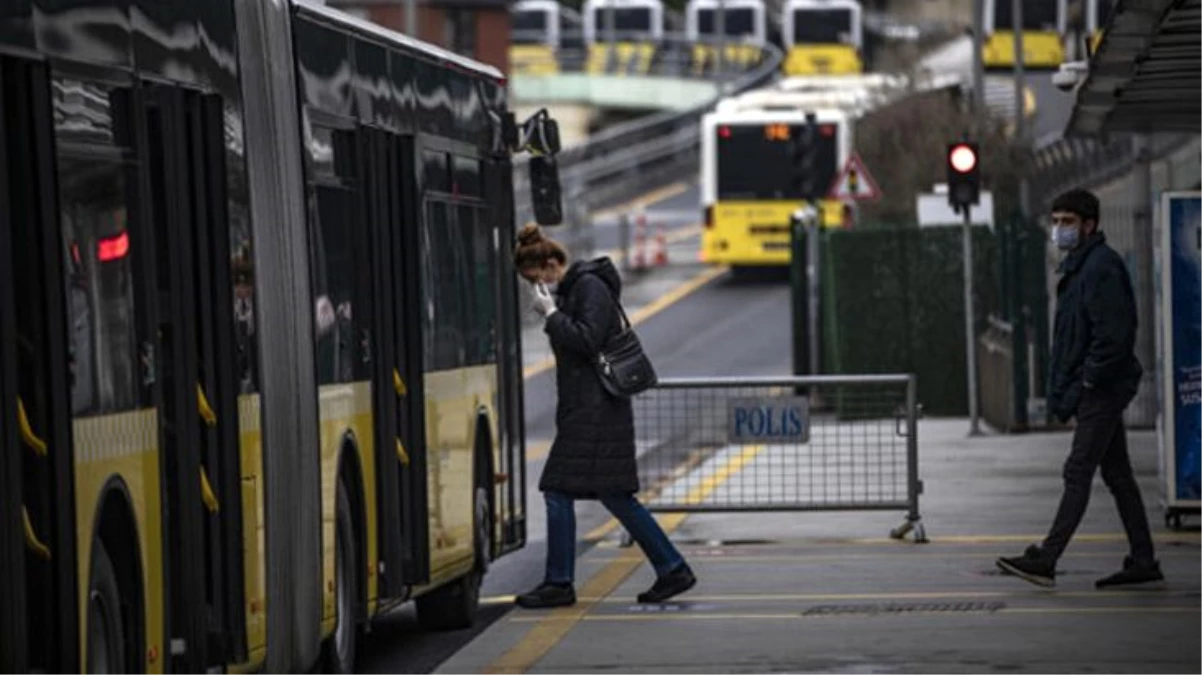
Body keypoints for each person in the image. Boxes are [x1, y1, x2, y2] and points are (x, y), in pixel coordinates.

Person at [511, 224, 696, 608]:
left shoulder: (589, 287)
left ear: (551, 264)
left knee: (558, 489)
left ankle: (560, 582)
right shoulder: (578, 288)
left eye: (537, 279)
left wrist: (551, 314)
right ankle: (671, 567)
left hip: (596, 409)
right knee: (615, 494)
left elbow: (585, 340)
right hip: (592, 407)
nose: (538, 288)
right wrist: (554, 312)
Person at [997, 189, 1163, 589]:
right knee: (1118, 474)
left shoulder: (1100, 267)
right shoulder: (1081, 267)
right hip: (1098, 386)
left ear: (1090, 225)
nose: (1059, 229)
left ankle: (1048, 558)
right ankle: (1143, 559)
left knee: (1078, 470)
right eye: (1055, 222)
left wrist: (1088, 381)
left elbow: (1114, 336)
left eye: (1067, 222)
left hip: (1102, 389)